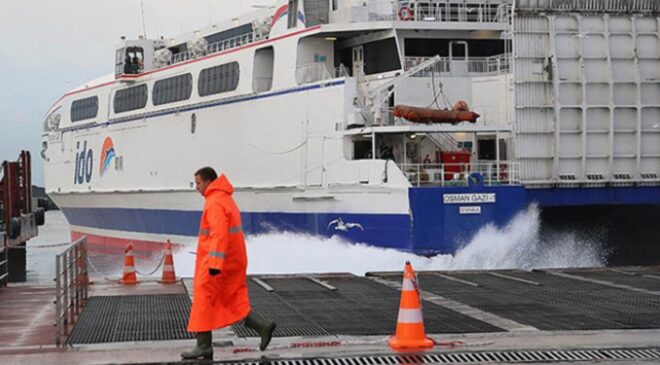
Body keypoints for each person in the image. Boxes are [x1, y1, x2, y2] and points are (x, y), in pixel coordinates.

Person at [182, 167, 276, 360]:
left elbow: (218, 234)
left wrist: (215, 264)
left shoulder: (214, 202)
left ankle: (203, 346)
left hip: (217, 262)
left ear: (208, 182)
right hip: (233, 259)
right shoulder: (225, 198)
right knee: (230, 299)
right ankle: (263, 326)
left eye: (198, 183)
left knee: (203, 297)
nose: (196, 187)